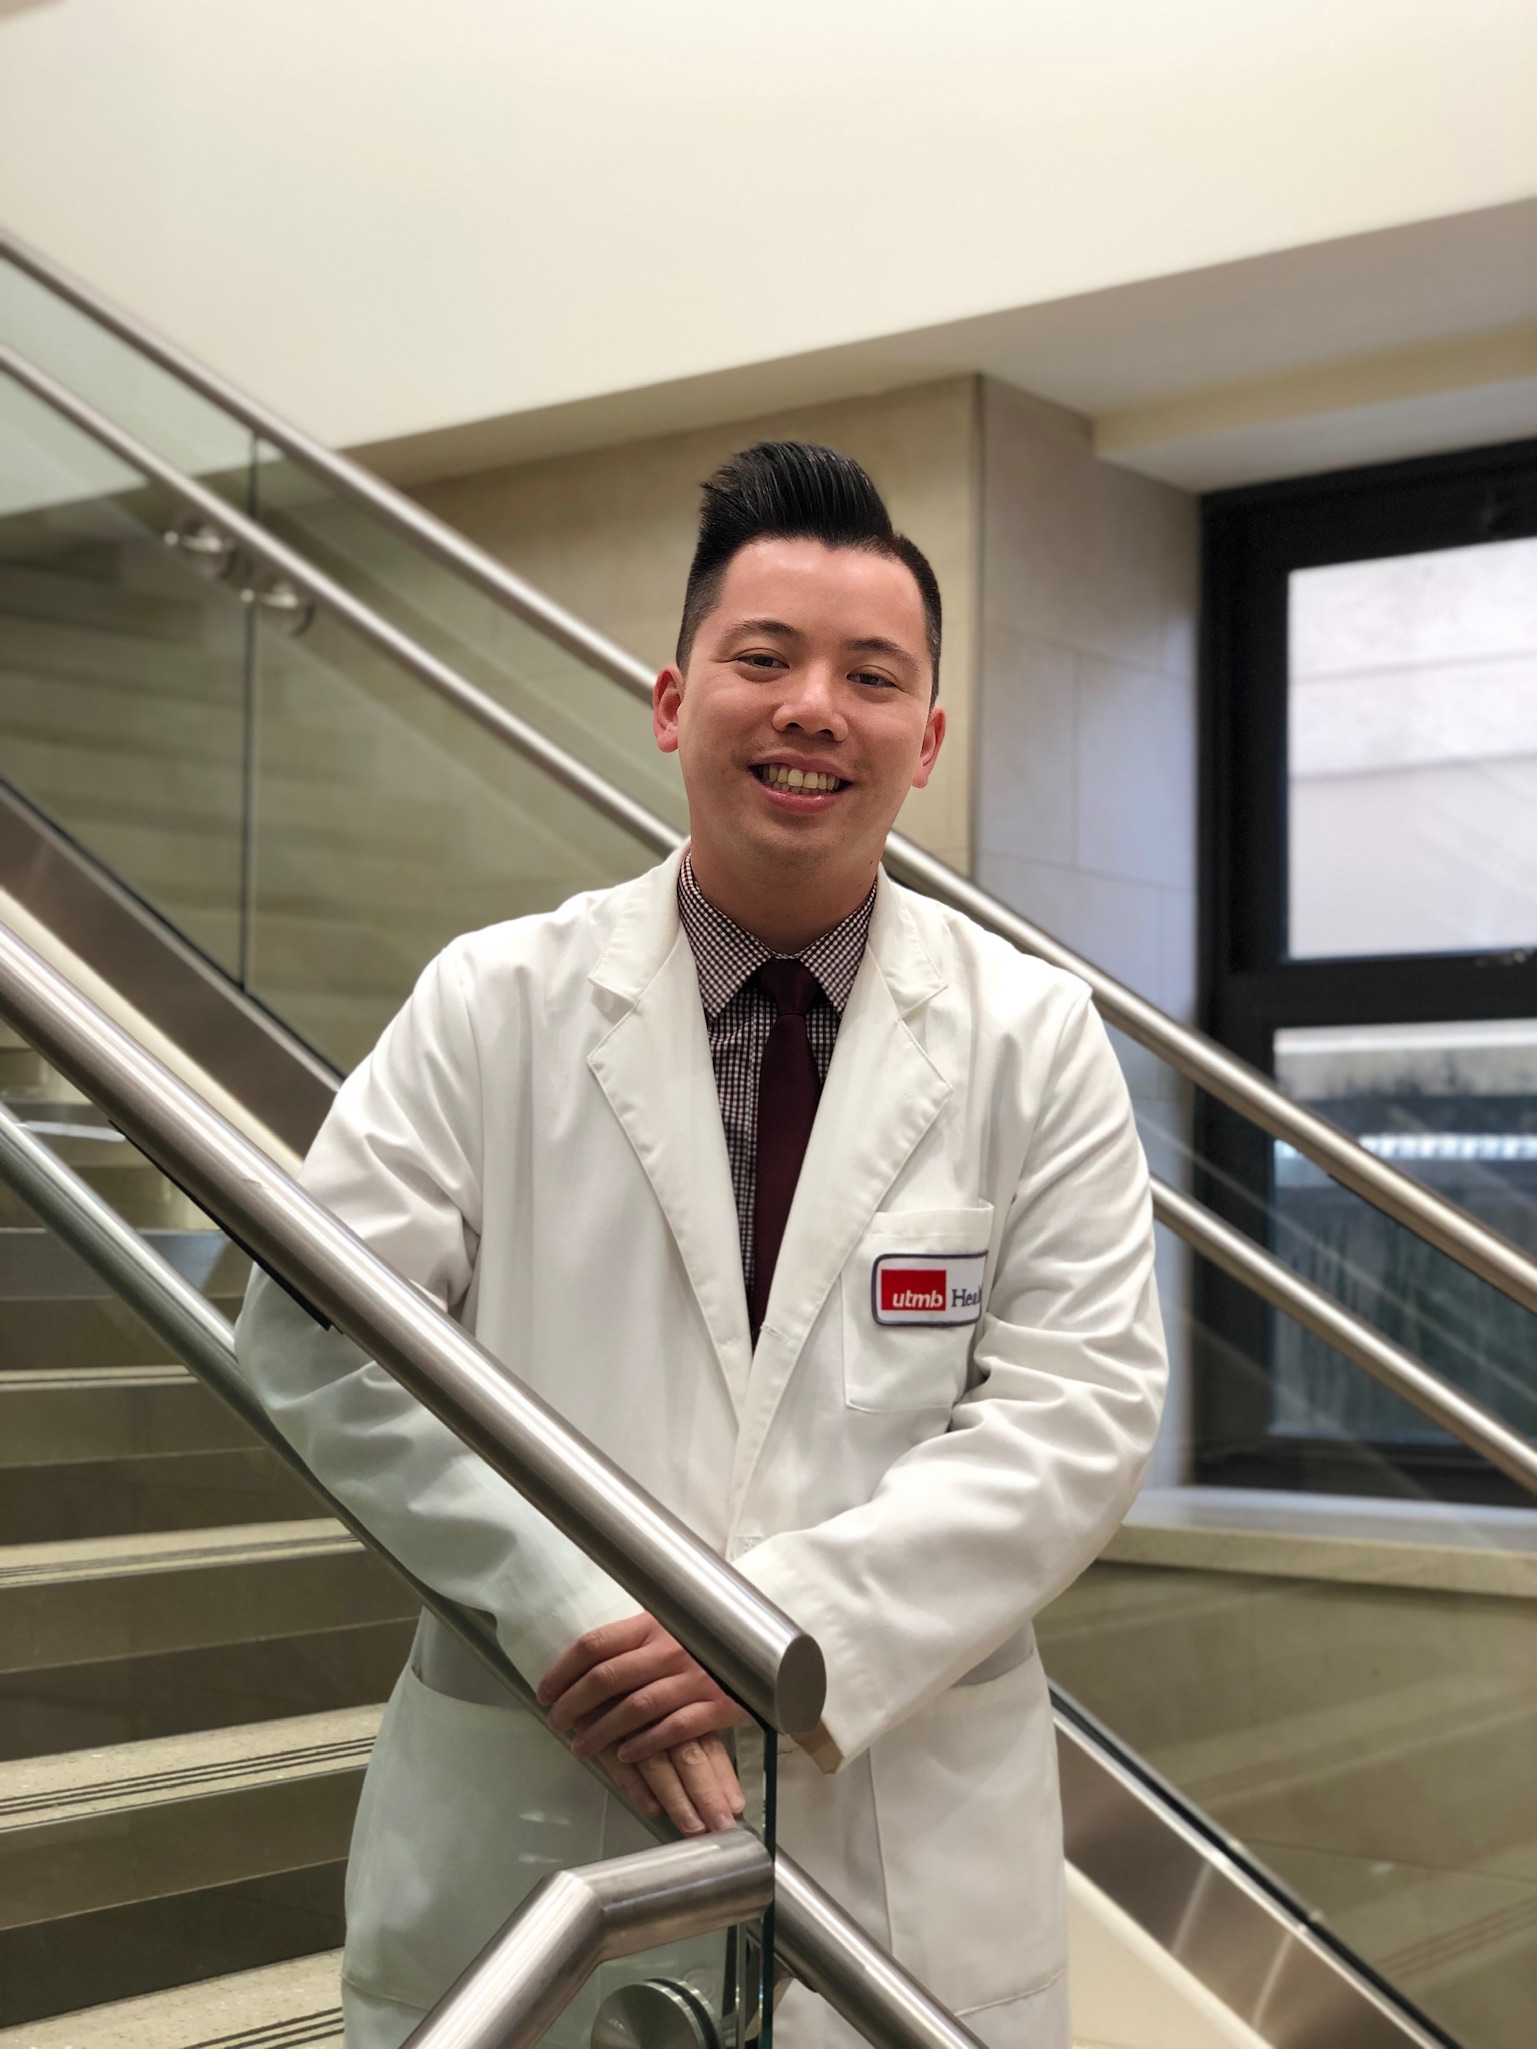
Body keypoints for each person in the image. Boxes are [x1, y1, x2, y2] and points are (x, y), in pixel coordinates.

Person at [235, 441, 1167, 2049]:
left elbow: (1076, 1410)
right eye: (764, 659)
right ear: (672, 703)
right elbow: (315, 1333)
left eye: (870, 676)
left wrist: (776, 1633)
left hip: (898, 1836)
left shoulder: (1033, 1036)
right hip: (539, 1780)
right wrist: (560, 1607)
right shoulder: (494, 1001)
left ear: (927, 738)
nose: (814, 709)